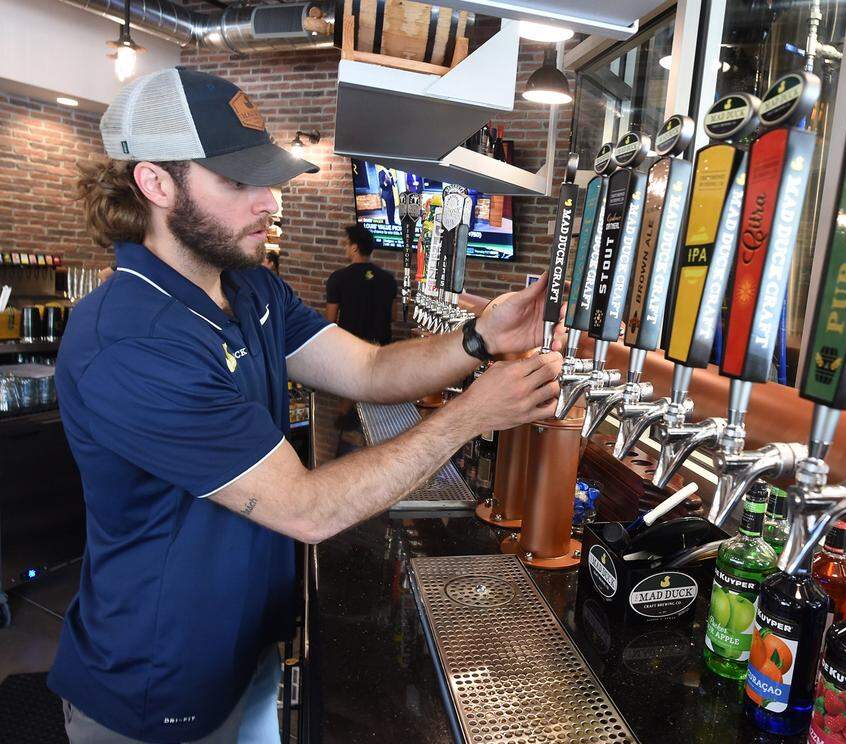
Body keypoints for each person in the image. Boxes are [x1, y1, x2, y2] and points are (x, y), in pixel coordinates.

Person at [54, 66, 563, 744]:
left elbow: (372, 367)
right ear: (155, 183)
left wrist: (478, 337)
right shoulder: (130, 342)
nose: (269, 200)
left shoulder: (249, 288)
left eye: (266, 175)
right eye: (239, 182)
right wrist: (471, 415)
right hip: (159, 680)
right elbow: (306, 509)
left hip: (249, 645)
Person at [325, 225, 398, 344]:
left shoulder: (338, 278)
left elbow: (330, 320)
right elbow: (393, 316)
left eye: (347, 244)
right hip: (380, 348)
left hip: (349, 345)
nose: (345, 248)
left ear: (354, 248)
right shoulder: (388, 279)